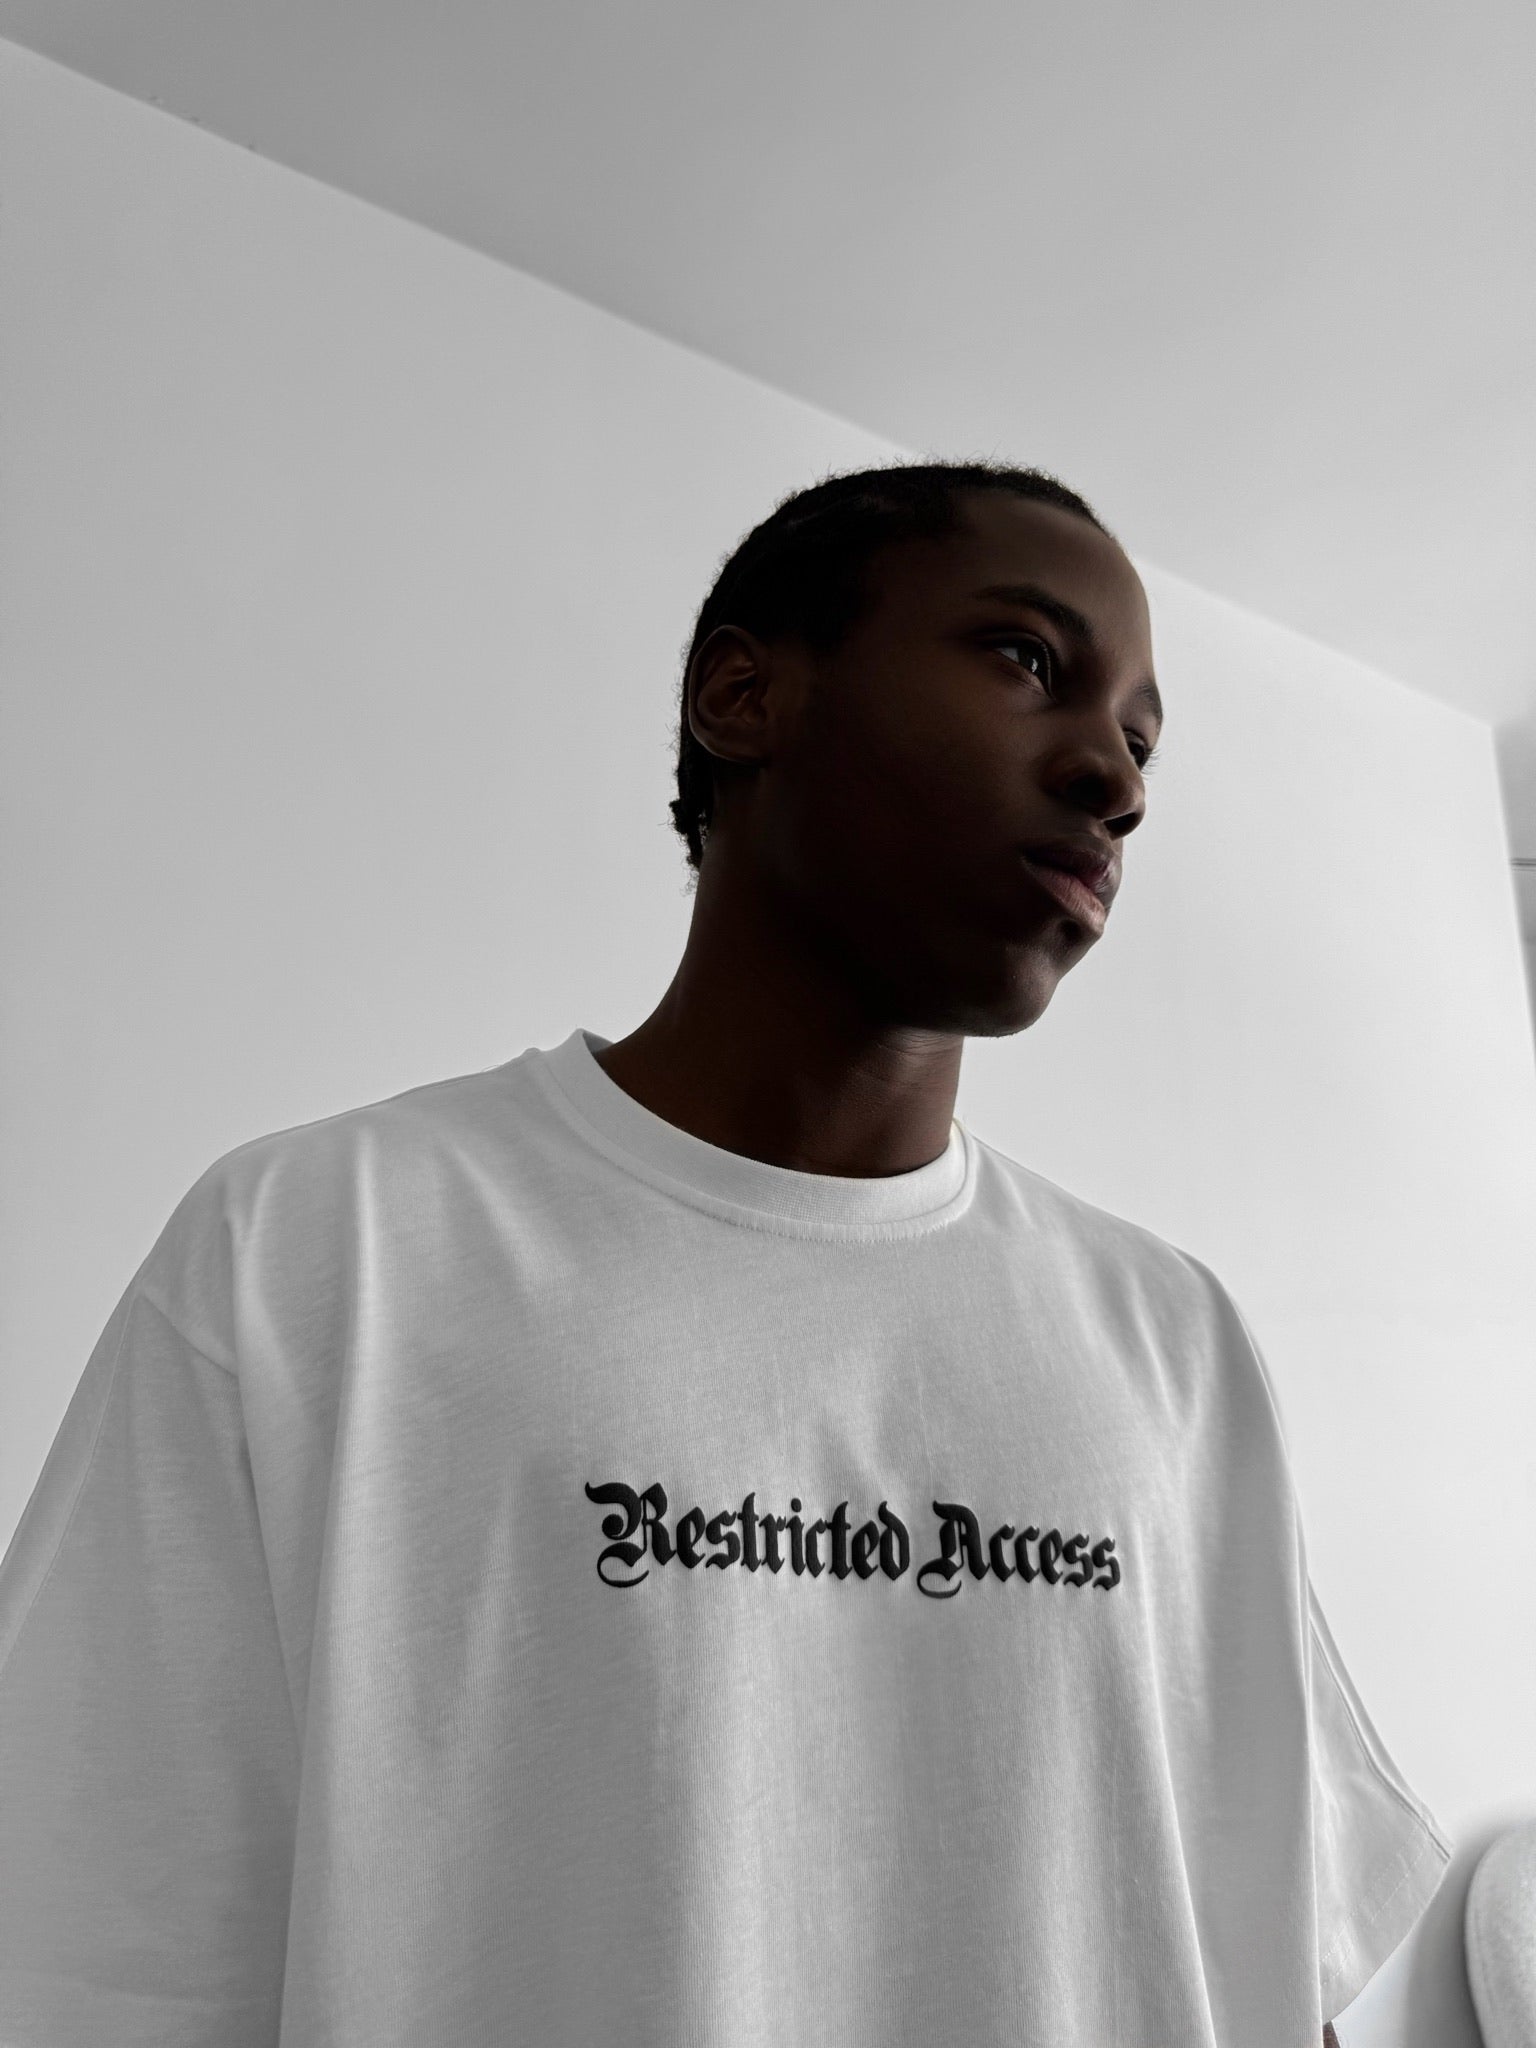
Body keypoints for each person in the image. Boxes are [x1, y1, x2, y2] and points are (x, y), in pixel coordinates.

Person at [0, 460, 1449, 2046]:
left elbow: (1283, 1958)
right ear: (744, 695)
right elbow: (98, 1951)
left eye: (1144, 739)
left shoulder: (1171, 1343)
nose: (1117, 779)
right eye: (1028, 658)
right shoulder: (319, 1248)